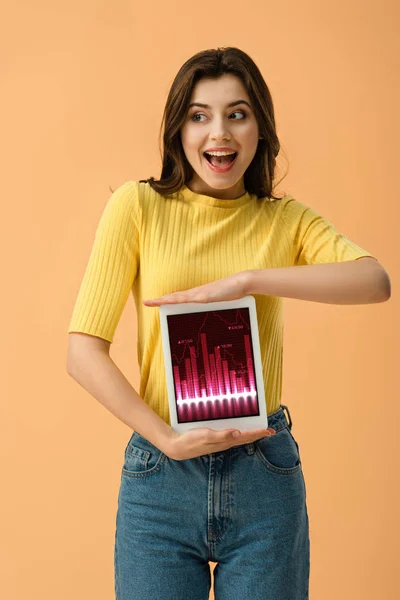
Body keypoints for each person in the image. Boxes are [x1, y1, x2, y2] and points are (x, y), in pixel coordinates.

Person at [66, 47, 390, 600]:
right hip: (160, 477)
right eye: (200, 115)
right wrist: (165, 438)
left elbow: (375, 280)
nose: (220, 133)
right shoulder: (136, 206)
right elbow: (83, 351)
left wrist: (248, 282)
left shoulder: (284, 219)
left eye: (237, 113)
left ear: (260, 126)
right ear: (178, 128)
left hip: (263, 472)